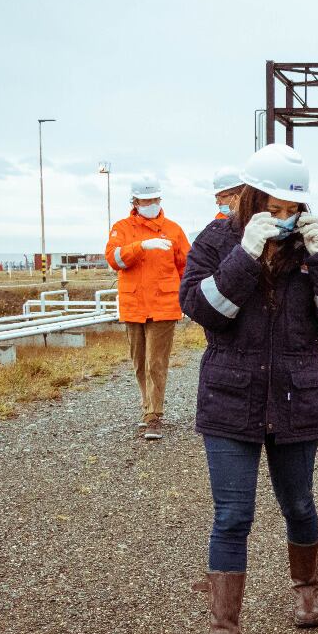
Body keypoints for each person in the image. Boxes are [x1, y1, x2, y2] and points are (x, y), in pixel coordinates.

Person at [179, 144, 318, 634]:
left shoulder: (311, 248)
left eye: (291, 209)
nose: (283, 218)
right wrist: (245, 255)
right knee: (232, 515)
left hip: (295, 396)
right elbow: (203, 311)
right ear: (251, 196)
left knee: (299, 504)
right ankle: (223, 633)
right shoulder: (217, 240)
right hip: (230, 398)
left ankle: (306, 591)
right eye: (273, 207)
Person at [104, 177, 190, 440]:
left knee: (156, 362)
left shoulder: (174, 231)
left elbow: (186, 268)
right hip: (133, 307)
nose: (151, 204)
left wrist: (187, 299)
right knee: (139, 362)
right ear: (135, 202)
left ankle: (154, 415)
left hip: (164, 306)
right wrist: (140, 246)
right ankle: (147, 408)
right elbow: (114, 259)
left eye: (155, 200)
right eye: (146, 200)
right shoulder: (121, 229)